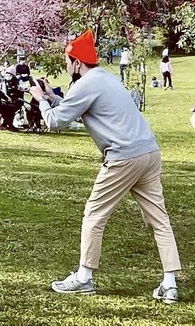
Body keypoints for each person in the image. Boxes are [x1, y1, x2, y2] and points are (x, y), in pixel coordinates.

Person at [34, 30, 181, 304]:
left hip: (123, 157)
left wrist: (40, 99)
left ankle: (84, 277)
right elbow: (75, 107)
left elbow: (54, 122)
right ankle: (170, 284)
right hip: (149, 152)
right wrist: (52, 98)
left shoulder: (85, 84)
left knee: (94, 214)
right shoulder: (105, 78)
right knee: (158, 219)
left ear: (77, 62)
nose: (67, 65)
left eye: (68, 60)